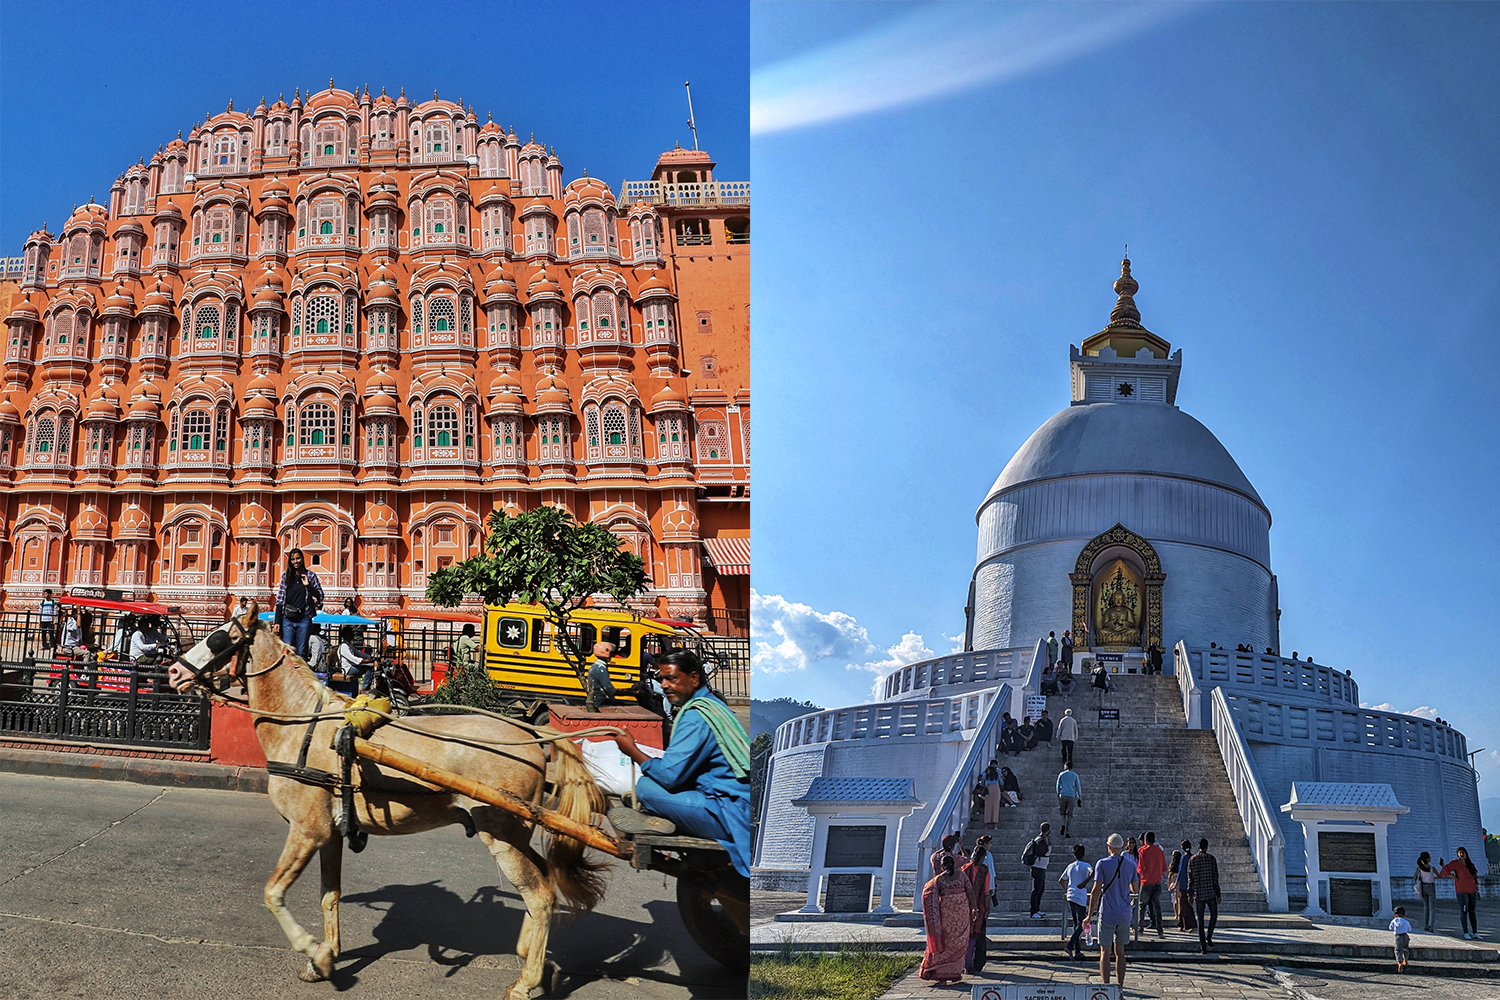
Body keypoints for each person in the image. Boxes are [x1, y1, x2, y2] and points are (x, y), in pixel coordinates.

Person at [607, 650, 752, 877]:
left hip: (726, 809)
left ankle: (666, 820)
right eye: (661, 679)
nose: (664, 685)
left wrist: (632, 750)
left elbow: (670, 777)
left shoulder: (696, 716)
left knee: (645, 787)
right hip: (736, 799)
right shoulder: (712, 703)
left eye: (671, 679)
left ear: (693, 678)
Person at [1086, 832, 1139, 990]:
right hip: (1124, 913)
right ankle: (1120, 986)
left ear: (1109, 847)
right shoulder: (1130, 865)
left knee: (1104, 951)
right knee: (1120, 952)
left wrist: (1089, 915)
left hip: (1107, 912)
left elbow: (1096, 891)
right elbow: (1135, 889)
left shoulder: (1102, 863)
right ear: (1122, 847)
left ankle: (1106, 986)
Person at [919, 853, 975, 986]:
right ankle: (955, 972)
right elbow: (971, 892)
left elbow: (930, 896)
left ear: (943, 866)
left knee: (945, 943)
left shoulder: (939, 880)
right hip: (962, 915)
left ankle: (942, 976)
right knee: (959, 942)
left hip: (947, 916)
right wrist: (974, 909)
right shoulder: (961, 876)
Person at [274, 548, 323, 659]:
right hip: (288, 618)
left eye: (298, 558)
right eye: (292, 559)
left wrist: (308, 585)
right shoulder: (286, 576)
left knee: (301, 651)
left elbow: (320, 596)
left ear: (302, 559)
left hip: (304, 618)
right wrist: (277, 621)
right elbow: (280, 599)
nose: (295, 561)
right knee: (288, 650)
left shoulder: (310, 575)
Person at [1186, 838, 1222, 953]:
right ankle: (1209, 935)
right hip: (1210, 892)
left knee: (1200, 921)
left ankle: (1203, 947)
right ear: (1207, 847)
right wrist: (1218, 893)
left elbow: (1190, 879)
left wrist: (1189, 893)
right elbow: (1215, 878)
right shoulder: (1211, 859)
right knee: (1214, 914)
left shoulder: (1193, 859)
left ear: (1198, 847)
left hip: (1199, 894)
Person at [1059, 843, 1093, 960]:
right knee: (1082, 923)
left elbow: (1061, 880)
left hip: (1071, 896)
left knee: (1076, 923)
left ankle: (1077, 950)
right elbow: (1093, 872)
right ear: (1083, 855)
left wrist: (1068, 889)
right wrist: (1085, 883)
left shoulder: (1070, 866)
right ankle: (1070, 945)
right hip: (1080, 897)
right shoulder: (1086, 865)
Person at [963, 841, 993, 973]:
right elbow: (986, 891)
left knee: (966, 935)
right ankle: (976, 963)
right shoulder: (984, 870)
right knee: (977, 934)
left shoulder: (965, 869)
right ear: (982, 857)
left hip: (965, 905)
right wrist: (987, 908)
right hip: (979, 906)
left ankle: (965, 963)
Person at [1439, 847, 1480, 939]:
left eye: (1463, 853)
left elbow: (1475, 876)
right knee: (1464, 911)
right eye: (1459, 853)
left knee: (1472, 911)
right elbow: (1445, 870)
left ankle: (1475, 932)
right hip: (1461, 890)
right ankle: (1466, 932)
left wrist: (1477, 887)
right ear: (1457, 854)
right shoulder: (1455, 863)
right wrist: (1453, 877)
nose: (1461, 854)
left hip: (1472, 890)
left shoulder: (1470, 864)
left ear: (1466, 854)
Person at [1137, 831, 1167, 939]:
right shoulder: (1159, 851)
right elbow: (1164, 867)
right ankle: (1160, 931)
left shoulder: (1142, 851)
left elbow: (1140, 868)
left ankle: (1140, 929)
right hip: (1157, 882)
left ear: (1146, 840)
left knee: (1142, 906)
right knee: (1157, 907)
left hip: (1146, 882)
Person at [1023, 822, 1052, 919]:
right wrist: (1049, 847)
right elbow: (1045, 852)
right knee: (1036, 889)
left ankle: (1037, 909)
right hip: (1038, 867)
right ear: (1048, 830)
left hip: (1041, 867)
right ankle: (1033, 911)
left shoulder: (1041, 839)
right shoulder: (1041, 840)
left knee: (1040, 889)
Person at [337, 625, 373, 691]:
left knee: (369, 667)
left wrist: (370, 657)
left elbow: (358, 653)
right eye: (351, 633)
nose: (353, 635)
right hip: (347, 669)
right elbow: (352, 658)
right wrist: (364, 661)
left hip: (352, 666)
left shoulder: (349, 645)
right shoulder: (344, 646)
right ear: (346, 635)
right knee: (369, 668)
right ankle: (365, 689)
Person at [585, 641, 618, 713]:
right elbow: (609, 689)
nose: (612, 655)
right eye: (611, 653)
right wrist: (630, 692)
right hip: (601, 701)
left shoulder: (595, 666)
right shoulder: (601, 669)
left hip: (597, 699)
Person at [1414, 852, 1439, 932]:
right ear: (1428, 859)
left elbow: (1415, 877)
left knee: (1426, 907)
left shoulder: (1420, 868)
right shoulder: (1432, 868)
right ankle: (1430, 925)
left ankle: (1425, 925)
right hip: (1431, 886)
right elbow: (1439, 875)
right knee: (1432, 908)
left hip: (1423, 887)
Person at [1175, 839, 1196, 931]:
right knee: (1186, 905)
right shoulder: (1193, 857)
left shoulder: (1184, 858)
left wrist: (1176, 883)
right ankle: (1183, 924)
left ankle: (1191, 924)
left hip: (1184, 885)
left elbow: (1181, 872)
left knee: (1185, 906)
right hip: (1191, 884)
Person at [1056, 763, 1082, 839]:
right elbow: (1078, 787)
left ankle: (1063, 824)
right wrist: (1079, 797)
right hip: (1071, 796)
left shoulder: (1061, 774)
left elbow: (1058, 785)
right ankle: (1067, 832)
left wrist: (1058, 793)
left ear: (1066, 766)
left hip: (1063, 795)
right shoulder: (1075, 775)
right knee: (1070, 815)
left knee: (1062, 812)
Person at [982, 761, 1003, 829]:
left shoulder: (985, 772)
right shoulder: (998, 771)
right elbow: (1001, 782)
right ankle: (995, 825)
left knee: (988, 807)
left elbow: (982, 782)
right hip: (996, 789)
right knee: (996, 807)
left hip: (988, 789)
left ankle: (986, 824)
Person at [1391, 906, 1412, 973]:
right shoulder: (1405, 921)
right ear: (1404, 915)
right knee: (1405, 948)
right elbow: (1409, 929)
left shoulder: (1394, 921)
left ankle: (1399, 962)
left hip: (1398, 936)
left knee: (1397, 949)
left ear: (1395, 915)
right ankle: (1405, 959)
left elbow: (1390, 927)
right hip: (1405, 935)